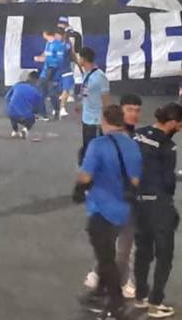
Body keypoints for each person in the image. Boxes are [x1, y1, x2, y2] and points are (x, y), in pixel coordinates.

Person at [75, 105, 142, 320]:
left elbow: (85, 177)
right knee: (113, 254)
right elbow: (136, 180)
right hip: (125, 209)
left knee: (105, 258)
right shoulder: (132, 145)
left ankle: (116, 304)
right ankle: (100, 292)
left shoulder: (98, 145)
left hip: (102, 209)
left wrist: (78, 191)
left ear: (105, 120)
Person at [132, 103, 182, 319]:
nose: (181, 128)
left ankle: (140, 297)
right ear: (172, 122)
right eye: (181, 124)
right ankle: (156, 302)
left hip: (137, 202)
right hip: (159, 205)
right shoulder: (167, 146)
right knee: (164, 254)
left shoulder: (138, 135)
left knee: (143, 251)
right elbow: (168, 181)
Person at [76, 47, 112, 165]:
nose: (78, 59)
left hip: (97, 121)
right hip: (87, 119)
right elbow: (86, 93)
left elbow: (105, 98)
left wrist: (106, 119)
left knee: (95, 149)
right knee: (87, 147)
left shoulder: (99, 76)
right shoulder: (86, 74)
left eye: (79, 57)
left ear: (83, 59)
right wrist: (80, 104)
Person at [33, 29, 65, 120]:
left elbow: (59, 60)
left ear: (45, 34)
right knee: (40, 91)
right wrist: (41, 57)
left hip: (54, 73)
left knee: (52, 93)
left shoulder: (58, 45)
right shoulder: (48, 44)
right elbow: (46, 55)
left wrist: (44, 60)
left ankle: (57, 110)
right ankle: (43, 114)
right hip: (45, 73)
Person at [5, 71, 43, 138]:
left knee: (12, 112)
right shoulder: (36, 92)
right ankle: (25, 130)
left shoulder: (17, 85)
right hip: (25, 115)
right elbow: (37, 108)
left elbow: (7, 97)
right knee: (32, 119)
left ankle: (15, 131)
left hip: (11, 112)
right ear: (36, 81)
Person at [57, 28, 75, 118]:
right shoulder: (67, 45)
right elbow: (73, 54)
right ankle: (61, 108)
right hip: (65, 70)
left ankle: (57, 109)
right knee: (66, 89)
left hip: (59, 70)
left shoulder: (55, 44)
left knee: (62, 90)